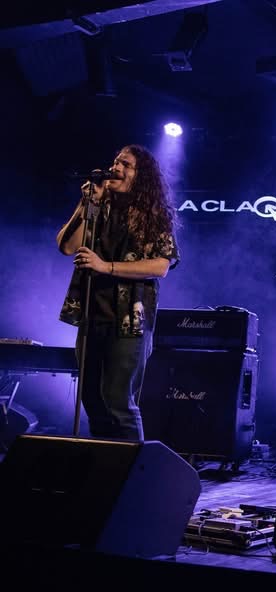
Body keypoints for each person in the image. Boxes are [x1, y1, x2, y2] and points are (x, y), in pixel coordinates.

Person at [56, 144, 180, 441]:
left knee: (118, 400)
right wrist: (86, 204)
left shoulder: (153, 215)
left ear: (141, 176)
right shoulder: (98, 207)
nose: (116, 168)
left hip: (129, 320)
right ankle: (104, 462)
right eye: (116, 162)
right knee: (91, 398)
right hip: (92, 312)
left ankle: (133, 466)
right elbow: (67, 246)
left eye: (126, 164)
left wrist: (105, 266)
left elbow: (161, 266)